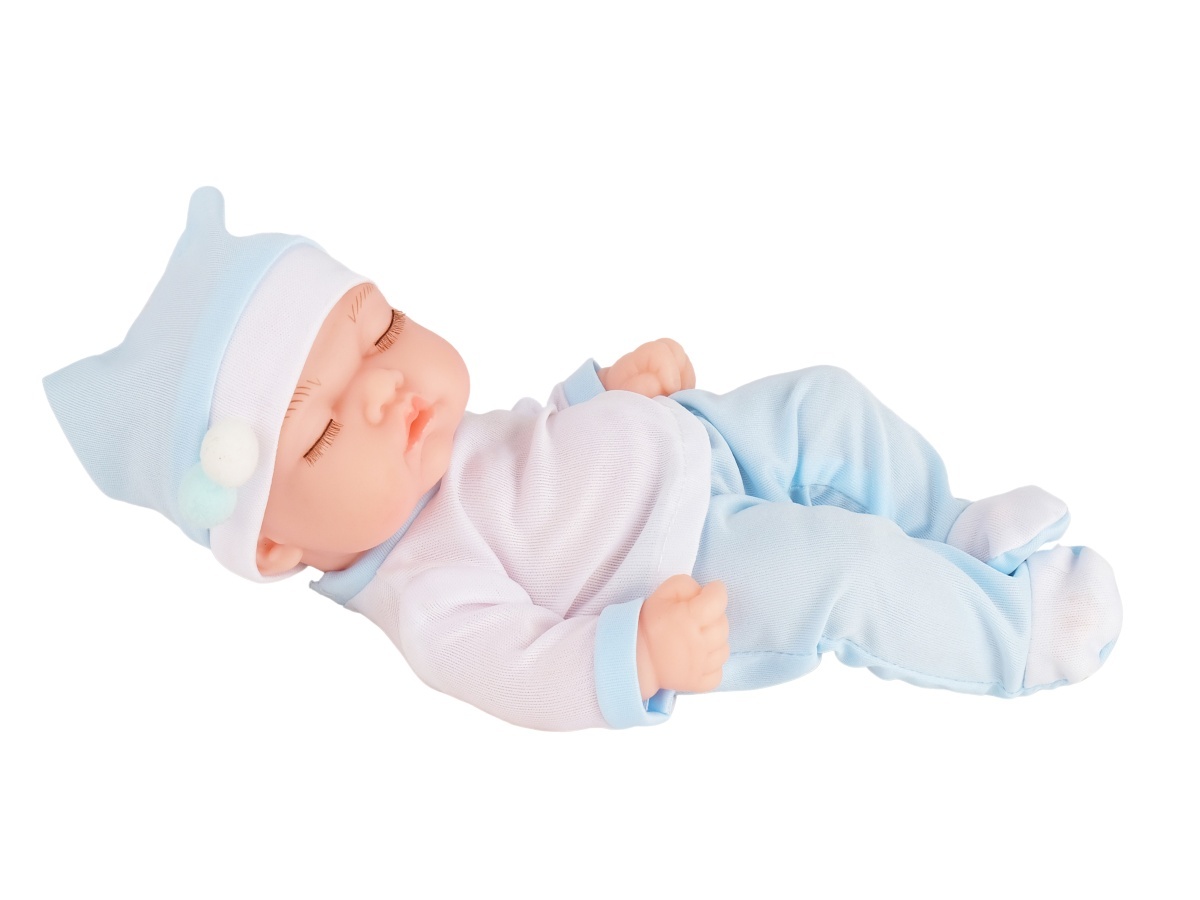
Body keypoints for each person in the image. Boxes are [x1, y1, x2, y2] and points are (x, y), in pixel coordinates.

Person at [45, 188, 1122, 731]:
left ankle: (956, 529)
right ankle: (1018, 636)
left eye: (383, 331)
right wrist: (634, 656)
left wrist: (598, 395)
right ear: (277, 546)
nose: (388, 386)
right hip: (687, 569)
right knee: (841, 567)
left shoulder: (428, 455)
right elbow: (519, 670)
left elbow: (523, 449)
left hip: (700, 438)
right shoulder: (424, 593)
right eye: (325, 430)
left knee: (828, 404)